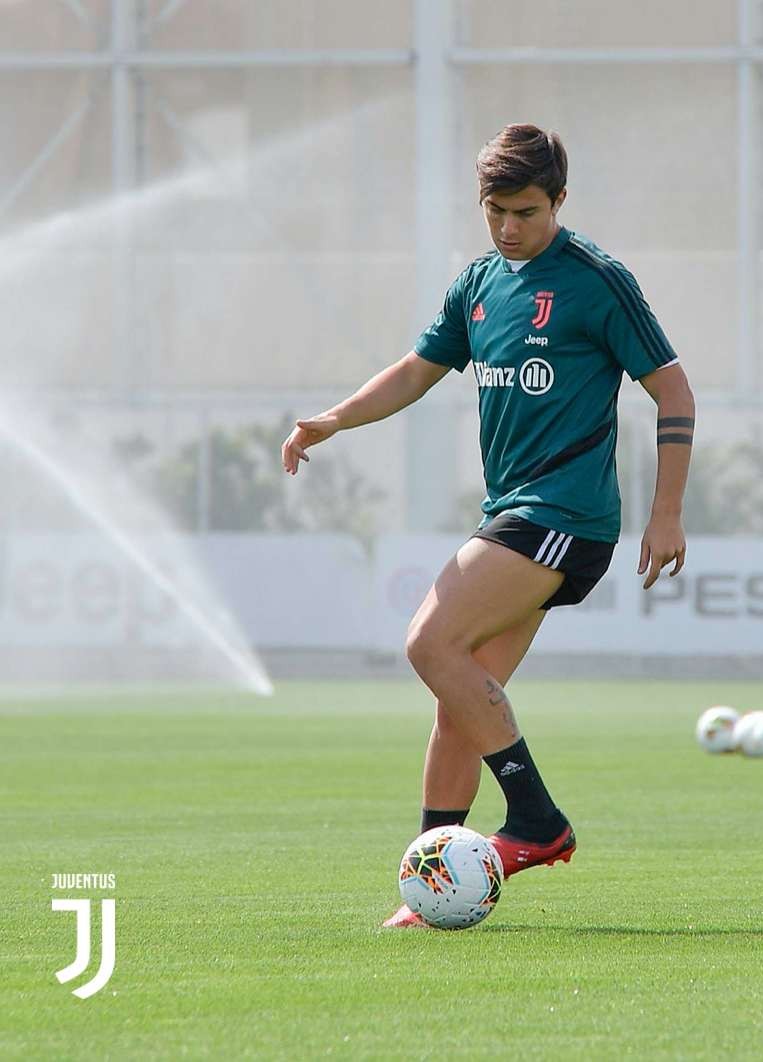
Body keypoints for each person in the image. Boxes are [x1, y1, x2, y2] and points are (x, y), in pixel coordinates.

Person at [281, 123, 695, 928]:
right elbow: (416, 370)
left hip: (563, 514)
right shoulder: (476, 283)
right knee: (460, 697)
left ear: (560, 201)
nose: (509, 227)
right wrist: (334, 419)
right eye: (495, 211)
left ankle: (536, 820)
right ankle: (433, 882)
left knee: (427, 643)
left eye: (527, 212)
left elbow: (673, 391)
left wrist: (667, 513)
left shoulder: (597, 281)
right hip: (515, 512)